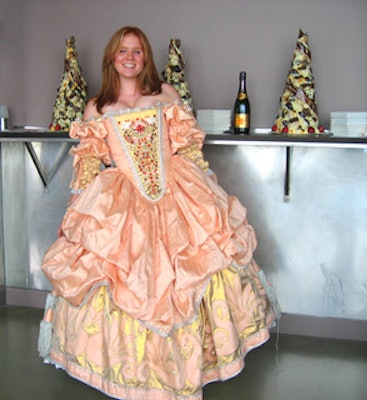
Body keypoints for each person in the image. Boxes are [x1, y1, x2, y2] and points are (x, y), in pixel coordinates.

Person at [38, 26, 280, 400]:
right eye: (123, 51)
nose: (130, 57)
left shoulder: (164, 95)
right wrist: (74, 217)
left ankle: (184, 369)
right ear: (111, 59)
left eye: (137, 51)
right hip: (121, 203)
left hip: (177, 193)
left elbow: (188, 151)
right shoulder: (98, 107)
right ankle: (135, 374)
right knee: (128, 278)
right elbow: (86, 169)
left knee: (187, 275)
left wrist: (208, 191)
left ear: (145, 58)